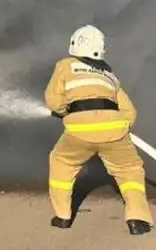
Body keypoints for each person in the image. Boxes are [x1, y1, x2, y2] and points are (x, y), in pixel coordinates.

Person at [45, 24, 153, 235]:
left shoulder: (65, 66)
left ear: (74, 43)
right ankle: (138, 219)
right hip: (115, 129)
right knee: (129, 171)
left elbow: (53, 100)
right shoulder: (109, 75)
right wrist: (120, 128)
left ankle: (63, 216)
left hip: (79, 130)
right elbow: (130, 111)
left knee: (62, 163)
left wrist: (64, 111)